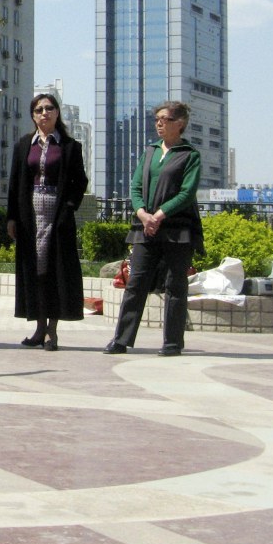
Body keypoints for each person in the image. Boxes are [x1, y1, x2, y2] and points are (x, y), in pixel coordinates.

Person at [105, 101, 203, 357]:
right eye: (157, 119)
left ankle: (172, 342)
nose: (159, 123)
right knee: (136, 283)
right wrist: (142, 214)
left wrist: (160, 214)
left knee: (175, 285)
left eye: (165, 119)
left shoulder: (190, 155)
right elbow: (136, 187)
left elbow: (187, 192)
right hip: (144, 228)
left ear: (179, 123)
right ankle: (121, 340)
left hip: (178, 230)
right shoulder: (149, 152)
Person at [5, 93, 88, 351]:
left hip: (57, 216)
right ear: (33, 115)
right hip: (30, 215)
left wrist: (69, 207)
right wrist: (11, 217)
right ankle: (39, 327)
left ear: (57, 113)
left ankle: (52, 330)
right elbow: (15, 183)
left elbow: (80, 182)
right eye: (39, 109)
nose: (44, 113)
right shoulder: (23, 146)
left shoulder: (70, 146)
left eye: (49, 108)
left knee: (56, 271)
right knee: (35, 272)